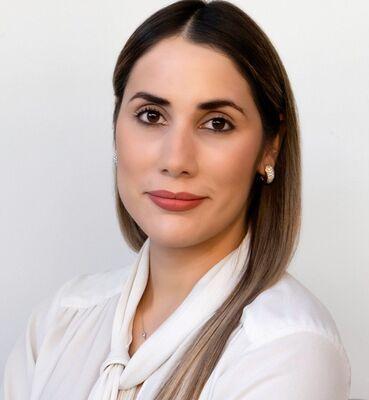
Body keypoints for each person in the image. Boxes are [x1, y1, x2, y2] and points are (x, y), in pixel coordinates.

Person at [2, 1, 351, 399]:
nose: (176, 160)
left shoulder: (287, 350)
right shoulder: (60, 320)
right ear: (116, 127)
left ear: (270, 146)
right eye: (151, 116)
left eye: (217, 123)